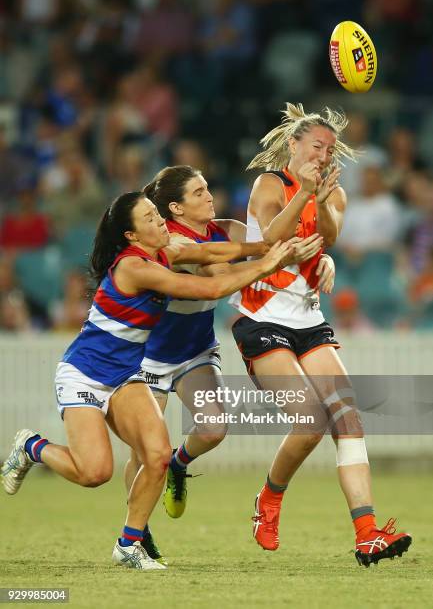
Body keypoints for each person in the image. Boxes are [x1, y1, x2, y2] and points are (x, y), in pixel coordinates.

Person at [1, 190, 294, 571]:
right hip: (85, 375)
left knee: (157, 457)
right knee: (95, 473)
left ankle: (129, 545)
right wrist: (268, 262)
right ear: (132, 237)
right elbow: (208, 288)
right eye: (149, 218)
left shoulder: (165, 251)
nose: (159, 221)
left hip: (125, 375)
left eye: (156, 213)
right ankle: (31, 446)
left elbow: (209, 253)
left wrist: (263, 245)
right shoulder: (134, 267)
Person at [113, 165, 331, 563]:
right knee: (145, 454)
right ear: (175, 207)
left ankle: (179, 465)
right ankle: (137, 533)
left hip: (195, 350)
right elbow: (223, 274)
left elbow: (273, 242)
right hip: (149, 355)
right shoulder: (172, 243)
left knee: (214, 430)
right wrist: (277, 259)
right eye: (198, 193)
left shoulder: (227, 227)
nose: (209, 196)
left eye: (207, 188)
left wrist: (319, 261)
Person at [230, 103, 411, 567]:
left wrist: (323, 205)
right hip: (262, 317)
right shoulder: (270, 183)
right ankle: (269, 500)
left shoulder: (335, 193)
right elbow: (271, 238)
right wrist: (304, 194)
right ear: (293, 145)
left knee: (348, 418)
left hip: (308, 319)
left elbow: (327, 236)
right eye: (316, 145)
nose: (325, 154)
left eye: (331, 149)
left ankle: (367, 533)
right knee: (310, 421)